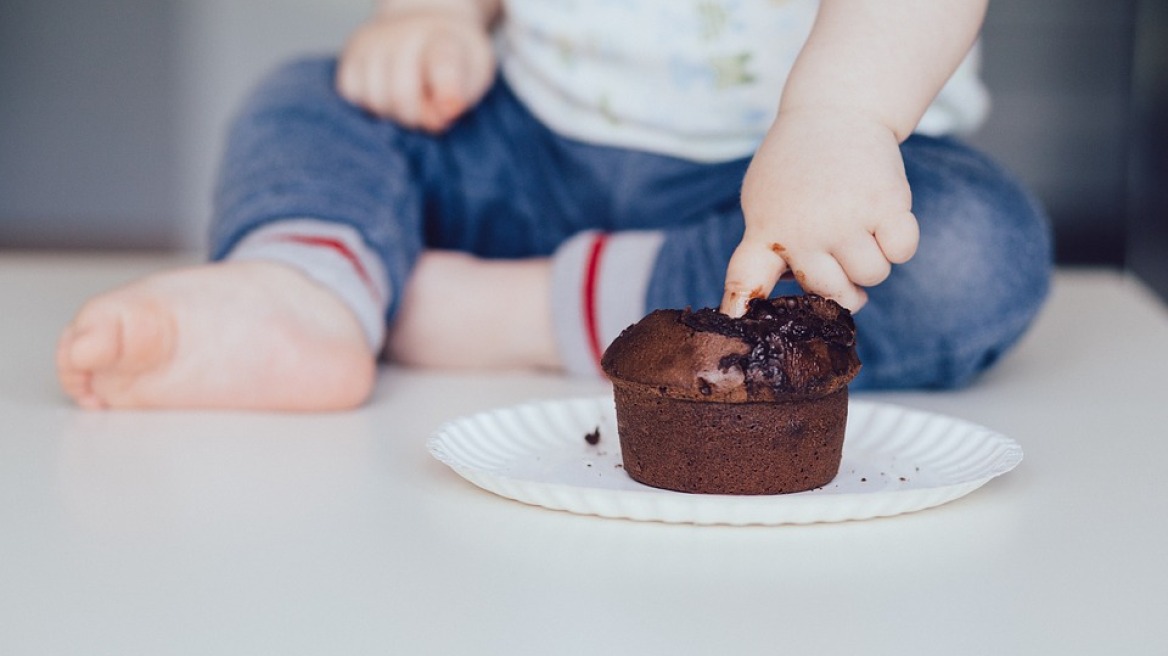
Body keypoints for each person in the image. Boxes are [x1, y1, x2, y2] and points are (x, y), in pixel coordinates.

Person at [55, 0, 1052, 411]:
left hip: (774, 208)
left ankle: (503, 310)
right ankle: (303, 286)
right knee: (314, 96)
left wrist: (839, 117)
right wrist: (435, 17)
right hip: (526, 151)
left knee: (968, 249)